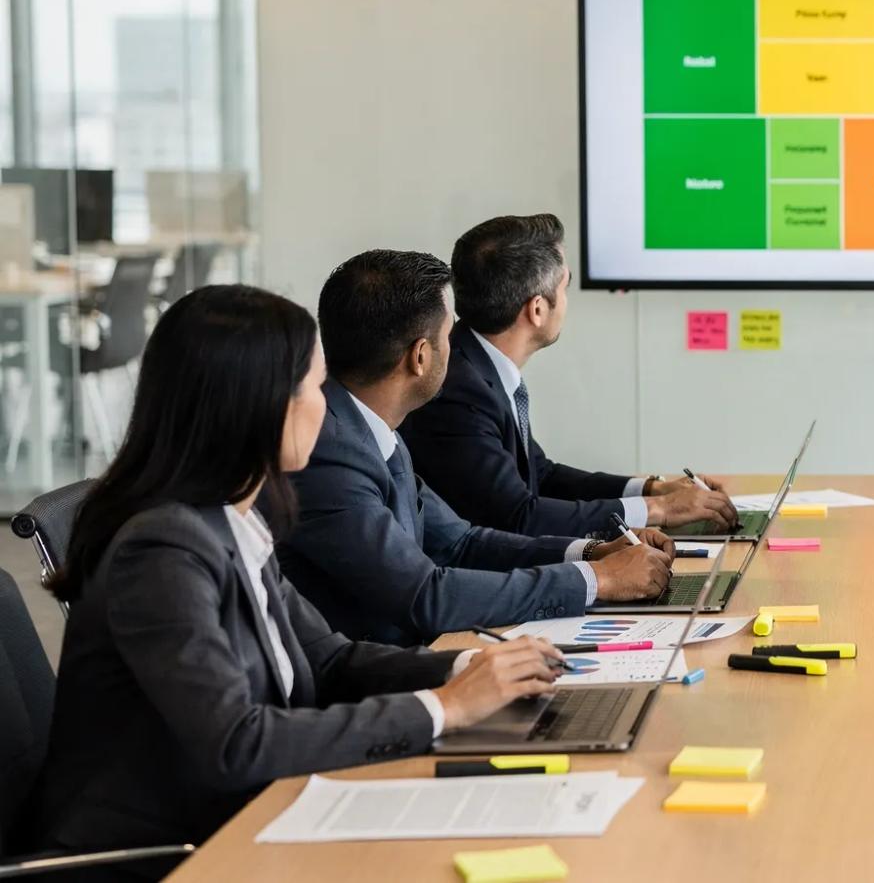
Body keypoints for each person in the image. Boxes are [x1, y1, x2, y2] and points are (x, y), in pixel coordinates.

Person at [34, 285, 567, 876]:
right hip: (174, 854)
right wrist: (443, 708)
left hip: (253, 817)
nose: (327, 405)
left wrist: (465, 669)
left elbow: (330, 662)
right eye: (314, 387)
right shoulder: (163, 550)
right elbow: (238, 743)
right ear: (260, 405)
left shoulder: (232, 518)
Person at [279, 251, 677, 645]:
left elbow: (461, 542)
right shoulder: (328, 453)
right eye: (449, 333)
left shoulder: (371, 427)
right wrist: (599, 580)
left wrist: (591, 553)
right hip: (375, 684)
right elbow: (425, 595)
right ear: (420, 356)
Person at [400, 213, 735, 537]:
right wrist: (658, 509)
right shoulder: (458, 392)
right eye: (565, 287)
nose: (566, 301)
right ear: (537, 309)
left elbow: (540, 475)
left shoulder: (477, 365)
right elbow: (518, 517)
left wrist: (652, 488)